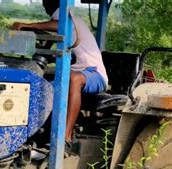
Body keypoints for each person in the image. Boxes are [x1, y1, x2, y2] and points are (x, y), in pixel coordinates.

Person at [11, 0, 108, 153]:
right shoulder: (60, 22)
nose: (44, 4)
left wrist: (29, 25)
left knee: (72, 79)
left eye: (46, 1)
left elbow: (59, 25)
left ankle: (65, 138)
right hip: (74, 73)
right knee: (38, 84)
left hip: (94, 74)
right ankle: (33, 133)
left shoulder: (71, 21)